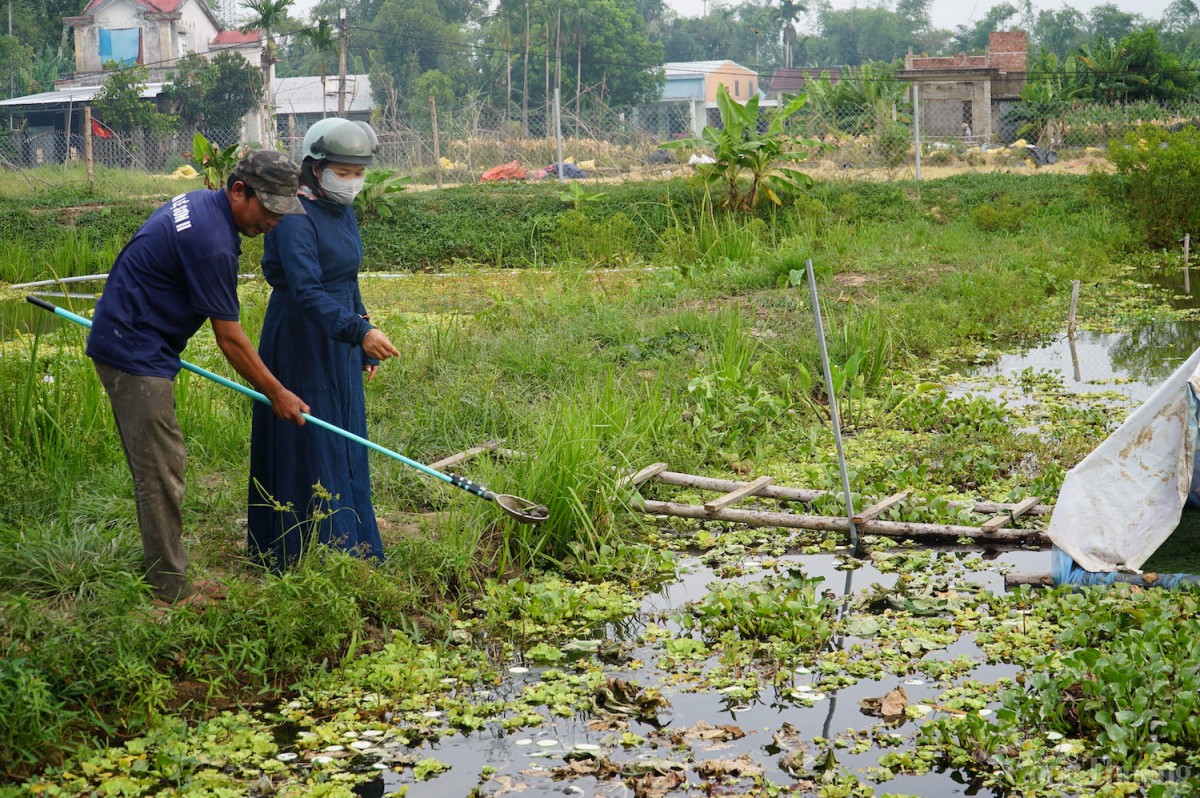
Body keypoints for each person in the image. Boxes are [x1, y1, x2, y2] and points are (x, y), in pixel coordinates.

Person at [86, 150, 311, 607]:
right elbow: (230, 339)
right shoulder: (214, 243)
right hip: (133, 352)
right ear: (238, 190)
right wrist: (277, 392)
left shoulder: (200, 203)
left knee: (162, 467)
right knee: (160, 472)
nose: (274, 222)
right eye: (269, 209)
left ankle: (171, 575)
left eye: (282, 212)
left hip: (135, 335)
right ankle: (170, 589)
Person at [247, 118, 401, 571]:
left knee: (344, 433)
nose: (352, 181)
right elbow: (307, 291)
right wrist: (359, 332)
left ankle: (353, 541)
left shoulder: (340, 209)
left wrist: (361, 336)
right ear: (315, 169)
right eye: (343, 171)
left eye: (359, 172)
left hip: (339, 335)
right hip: (301, 337)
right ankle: (304, 549)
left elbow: (346, 279)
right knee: (310, 436)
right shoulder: (294, 216)